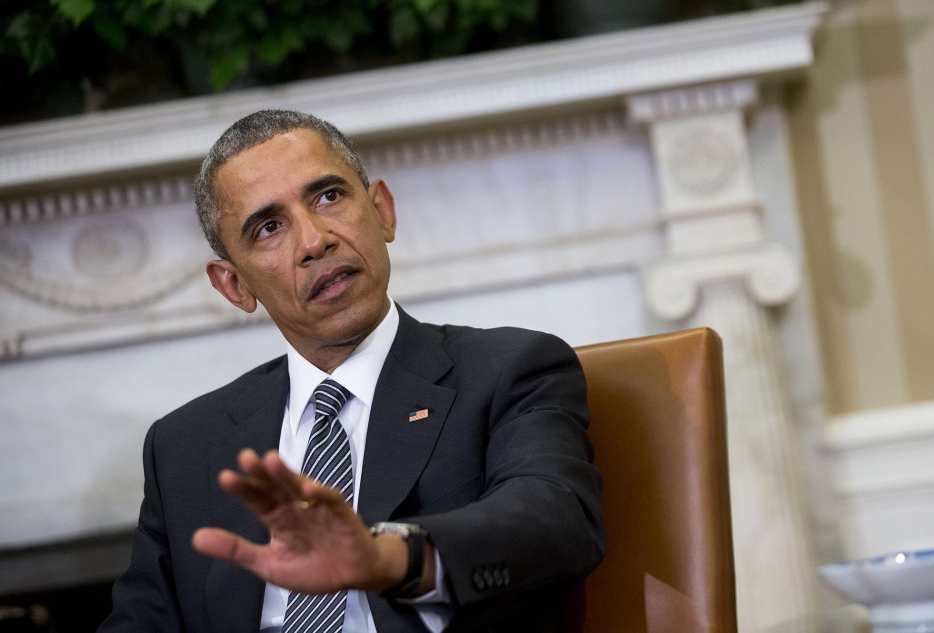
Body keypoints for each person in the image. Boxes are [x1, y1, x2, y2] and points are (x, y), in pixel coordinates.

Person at [100, 109, 605, 632]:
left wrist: (387, 559)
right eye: (269, 227)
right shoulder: (184, 446)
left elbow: (556, 522)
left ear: (382, 211)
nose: (315, 240)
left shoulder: (508, 371)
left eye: (328, 197)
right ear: (233, 285)